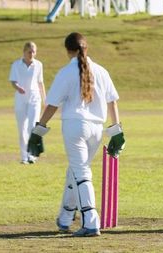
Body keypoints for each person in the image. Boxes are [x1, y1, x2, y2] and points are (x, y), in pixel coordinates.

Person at [27, 32, 125, 237]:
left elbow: (52, 104)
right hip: (97, 129)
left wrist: (38, 130)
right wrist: (117, 130)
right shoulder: (101, 70)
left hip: (74, 126)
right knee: (76, 170)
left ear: (68, 50)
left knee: (81, 172)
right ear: (86, 48)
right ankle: (65, 216)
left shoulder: (66, 72)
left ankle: (91, 220)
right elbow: (112, 102)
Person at [9, 41, 46, 164]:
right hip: (20, 99)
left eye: (33, 52)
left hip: (35, 99)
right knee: (22, 128)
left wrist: (45, 99)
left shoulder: (38, 65)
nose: (31, 54)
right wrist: (18, 87)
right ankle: (24, 156)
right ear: (24, 52)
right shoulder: (16, 65)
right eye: (29, 52)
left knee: (32, 126)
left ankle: (32, 155)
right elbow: (13, 81)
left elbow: (40, 83)